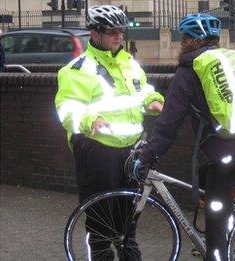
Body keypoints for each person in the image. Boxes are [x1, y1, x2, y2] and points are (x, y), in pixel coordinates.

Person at [136, 13, 235, 260]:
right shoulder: (229, 59)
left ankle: (217, 253)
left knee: (214, 213)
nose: (181, 43)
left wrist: (148, 154)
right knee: (210, 183)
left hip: (228, 153)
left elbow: (169, 123)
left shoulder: (190, 70)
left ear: (189, 40)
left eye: (183, 38)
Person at [54, 5, 164, 260]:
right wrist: (88, 119)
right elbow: (67, 106)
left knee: (128, 218)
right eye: (112, 32)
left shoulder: (130, 64)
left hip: (131, 149)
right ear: (95, 34)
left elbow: (143, 90)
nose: (119, 37)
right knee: (100, 221)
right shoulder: (79, 68)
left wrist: (154, 100)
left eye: (121, 32)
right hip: (97, 149)